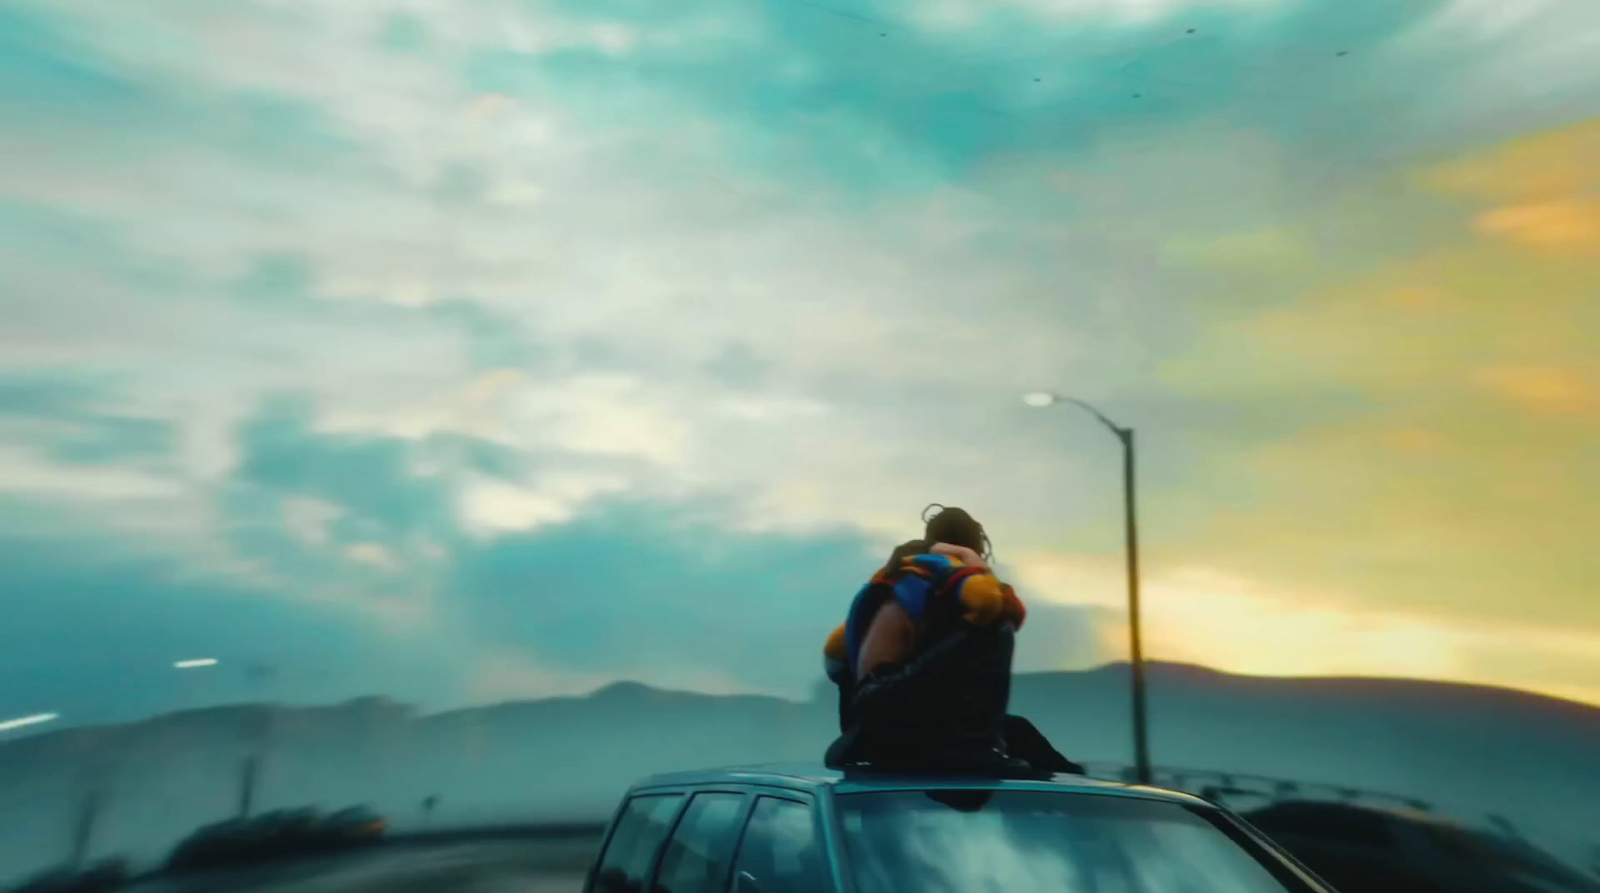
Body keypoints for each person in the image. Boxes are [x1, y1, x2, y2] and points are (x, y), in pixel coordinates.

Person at [821, 505, 1080, 775]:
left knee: (1017, 731)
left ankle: (1072, 780)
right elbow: (994, 602)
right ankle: (974, 750)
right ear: (974, 545)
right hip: (897, 714)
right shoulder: (947, 572)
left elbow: (834, 657)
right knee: (994, 626)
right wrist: (974, 563)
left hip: (872, 728)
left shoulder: (902, 580)